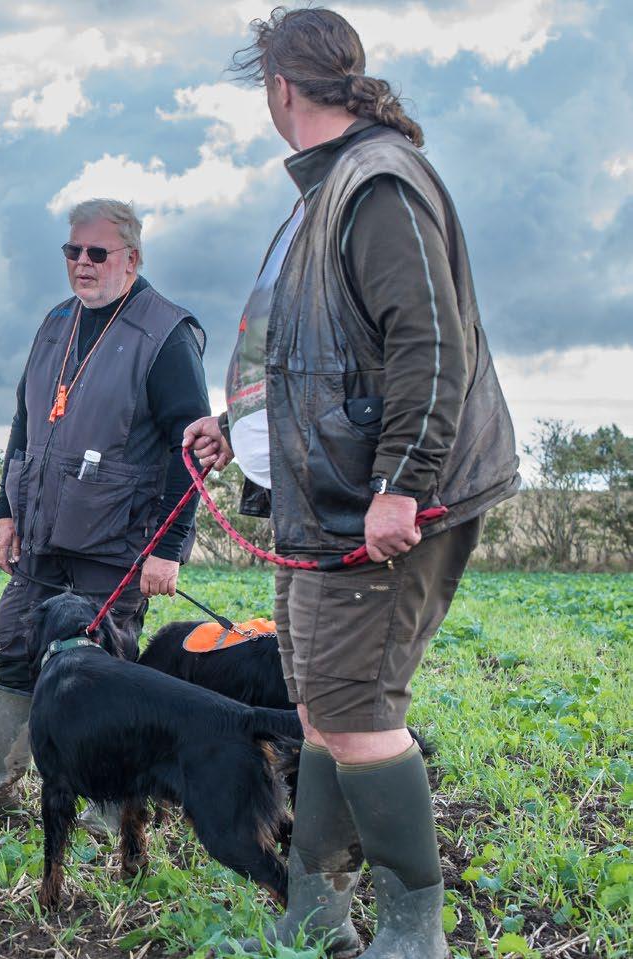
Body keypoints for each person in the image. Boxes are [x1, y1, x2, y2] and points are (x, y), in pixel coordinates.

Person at [183, 9, 518, 956]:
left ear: (279, 87)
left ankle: (414, 928)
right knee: (321, 713)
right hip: (321, 505)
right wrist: (238, 427)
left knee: (360, 719)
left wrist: (400, 483)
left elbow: (429, 343)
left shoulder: (376, 182)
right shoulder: (327, 189)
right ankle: (315, 908)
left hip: (378, 504)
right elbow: (320, 353)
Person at [0, 198, 210, 822]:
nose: (83, 262)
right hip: (43, 530)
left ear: (132, 259)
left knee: (106, 664)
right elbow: (24, 424)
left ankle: (114, 807)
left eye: (97, 252)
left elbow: (191, 448)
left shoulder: (166, 334)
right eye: (72, 251)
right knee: (15, 642)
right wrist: (6, 512)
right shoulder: (56, 321)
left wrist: (168, 548)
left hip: (117, 537)